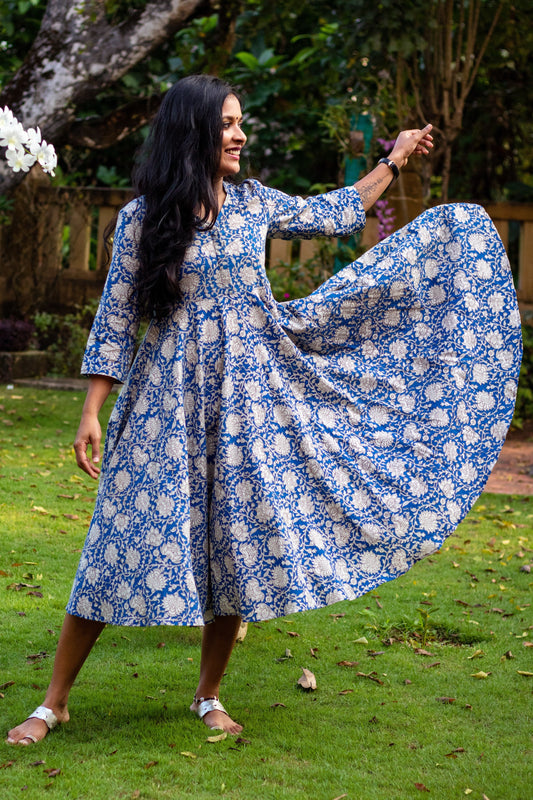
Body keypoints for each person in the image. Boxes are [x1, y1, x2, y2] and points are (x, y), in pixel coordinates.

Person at [7, 74, 521, 745]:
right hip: (164, 407)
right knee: (116, 545)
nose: (240, 134)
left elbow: (336, 211)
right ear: (192, 130)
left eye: (239, 122)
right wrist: (90, 410)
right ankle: (53, 704)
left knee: (233, 551)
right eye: (226, 123)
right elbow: (116, 318)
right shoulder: (144, 218)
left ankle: (207, 695)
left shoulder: (251, 205)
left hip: (248, 406)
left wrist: (393, 160)